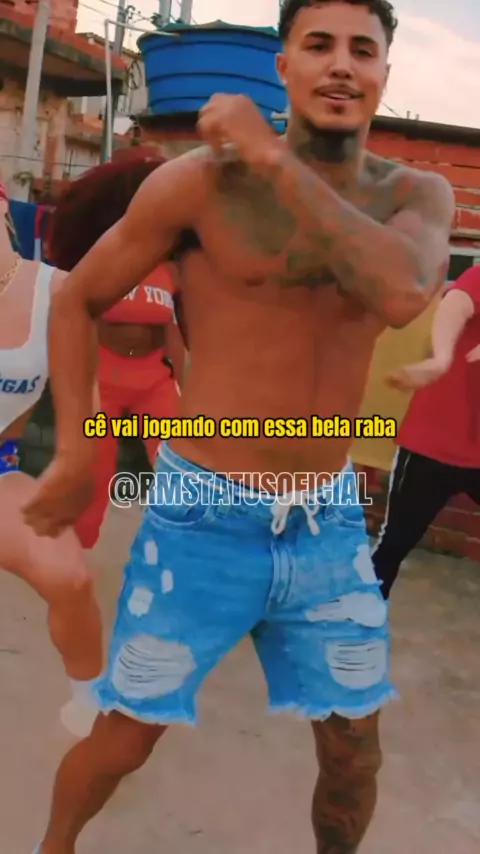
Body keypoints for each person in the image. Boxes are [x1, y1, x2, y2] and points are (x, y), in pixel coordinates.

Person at [26, 1, 455, 852]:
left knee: (353, 753)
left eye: (362, 49)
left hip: (327, 522)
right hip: (202, 518)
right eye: (319, 45)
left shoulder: (414, 195)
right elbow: (78, 298)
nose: (342, 64)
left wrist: (271, 158)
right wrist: (77, 448)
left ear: (384, 74)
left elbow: (405, 292)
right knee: (127, 735)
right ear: (284, 68)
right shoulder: (199, 185)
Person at [0, 180, 103, 724]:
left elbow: (85, 403)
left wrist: (73, 469)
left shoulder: (57, 290)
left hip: (1, 472)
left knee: (70, 578)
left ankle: (90, 701)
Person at [46, 156, 185, 549]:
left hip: (152, 379)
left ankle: (185, 544)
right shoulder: (100, 263)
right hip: (102, 378)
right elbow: (73, 317)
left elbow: (173, 330)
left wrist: (187, 386)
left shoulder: (172, 270)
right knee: (95, 472)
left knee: (180, 462)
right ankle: (76, 548)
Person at [372, 264, 480, 599]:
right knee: (393, 546)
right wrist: (441, 359)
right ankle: (358, 619)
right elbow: (457, 302)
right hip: (432, 443)